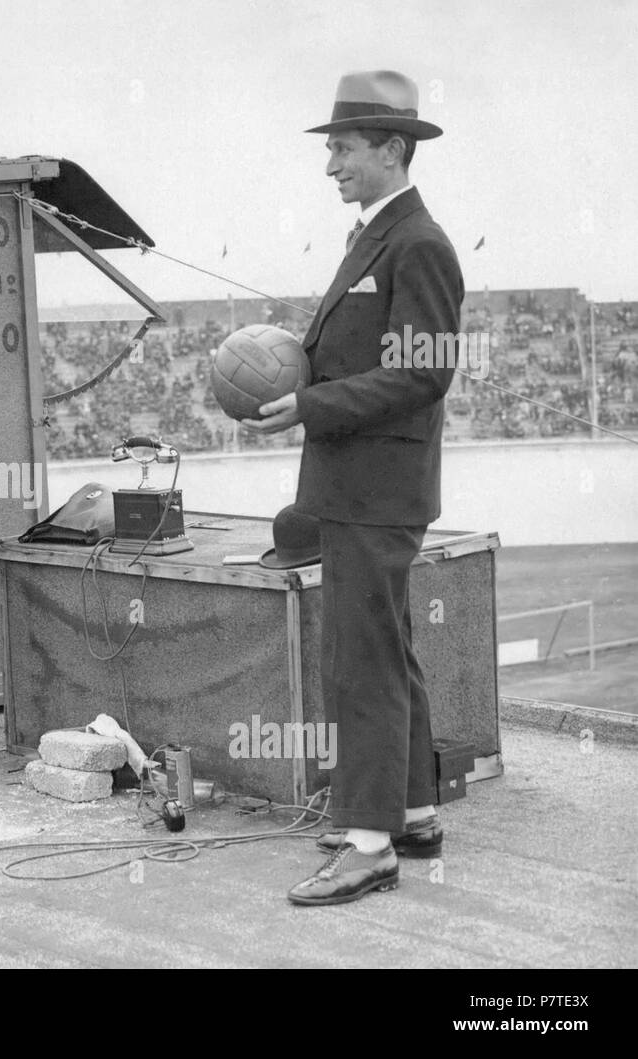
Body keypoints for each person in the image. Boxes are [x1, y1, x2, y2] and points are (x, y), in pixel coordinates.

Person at [243, 70, 464, 904]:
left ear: (391, 149)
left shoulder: (420, 243)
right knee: (389, 651)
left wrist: (306, 403)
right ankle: (409, 808)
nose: (329, 164)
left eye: (341, 148)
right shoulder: (373, 236)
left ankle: (369, 846)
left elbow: (421, 376)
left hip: (378, 489)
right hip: (359, 487)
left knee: (359, 664)